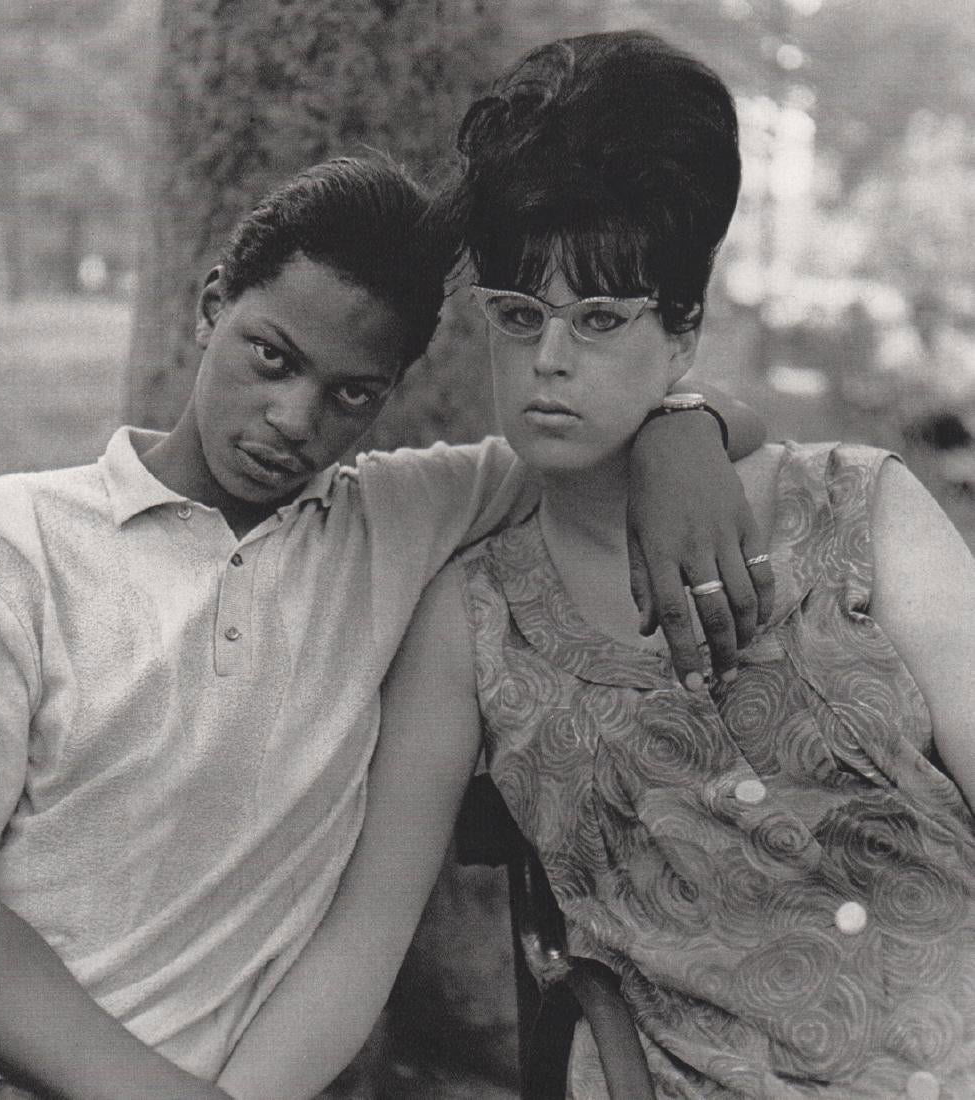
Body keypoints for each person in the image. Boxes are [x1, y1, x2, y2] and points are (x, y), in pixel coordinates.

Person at [0, 155, 768, 1099]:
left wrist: (685, 425)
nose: (292, 418)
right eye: (271, 356)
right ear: (210, 307)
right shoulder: (6, 537)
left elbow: (616, 424)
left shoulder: (397, 518)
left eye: (352, 394)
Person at [229, 31, 975, 1100]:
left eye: (600, 318)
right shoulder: (475, 617)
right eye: (520, 317)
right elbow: (359, 947)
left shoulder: (863, 509)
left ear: (683, 333)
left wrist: (688, 425)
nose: (551, 362)